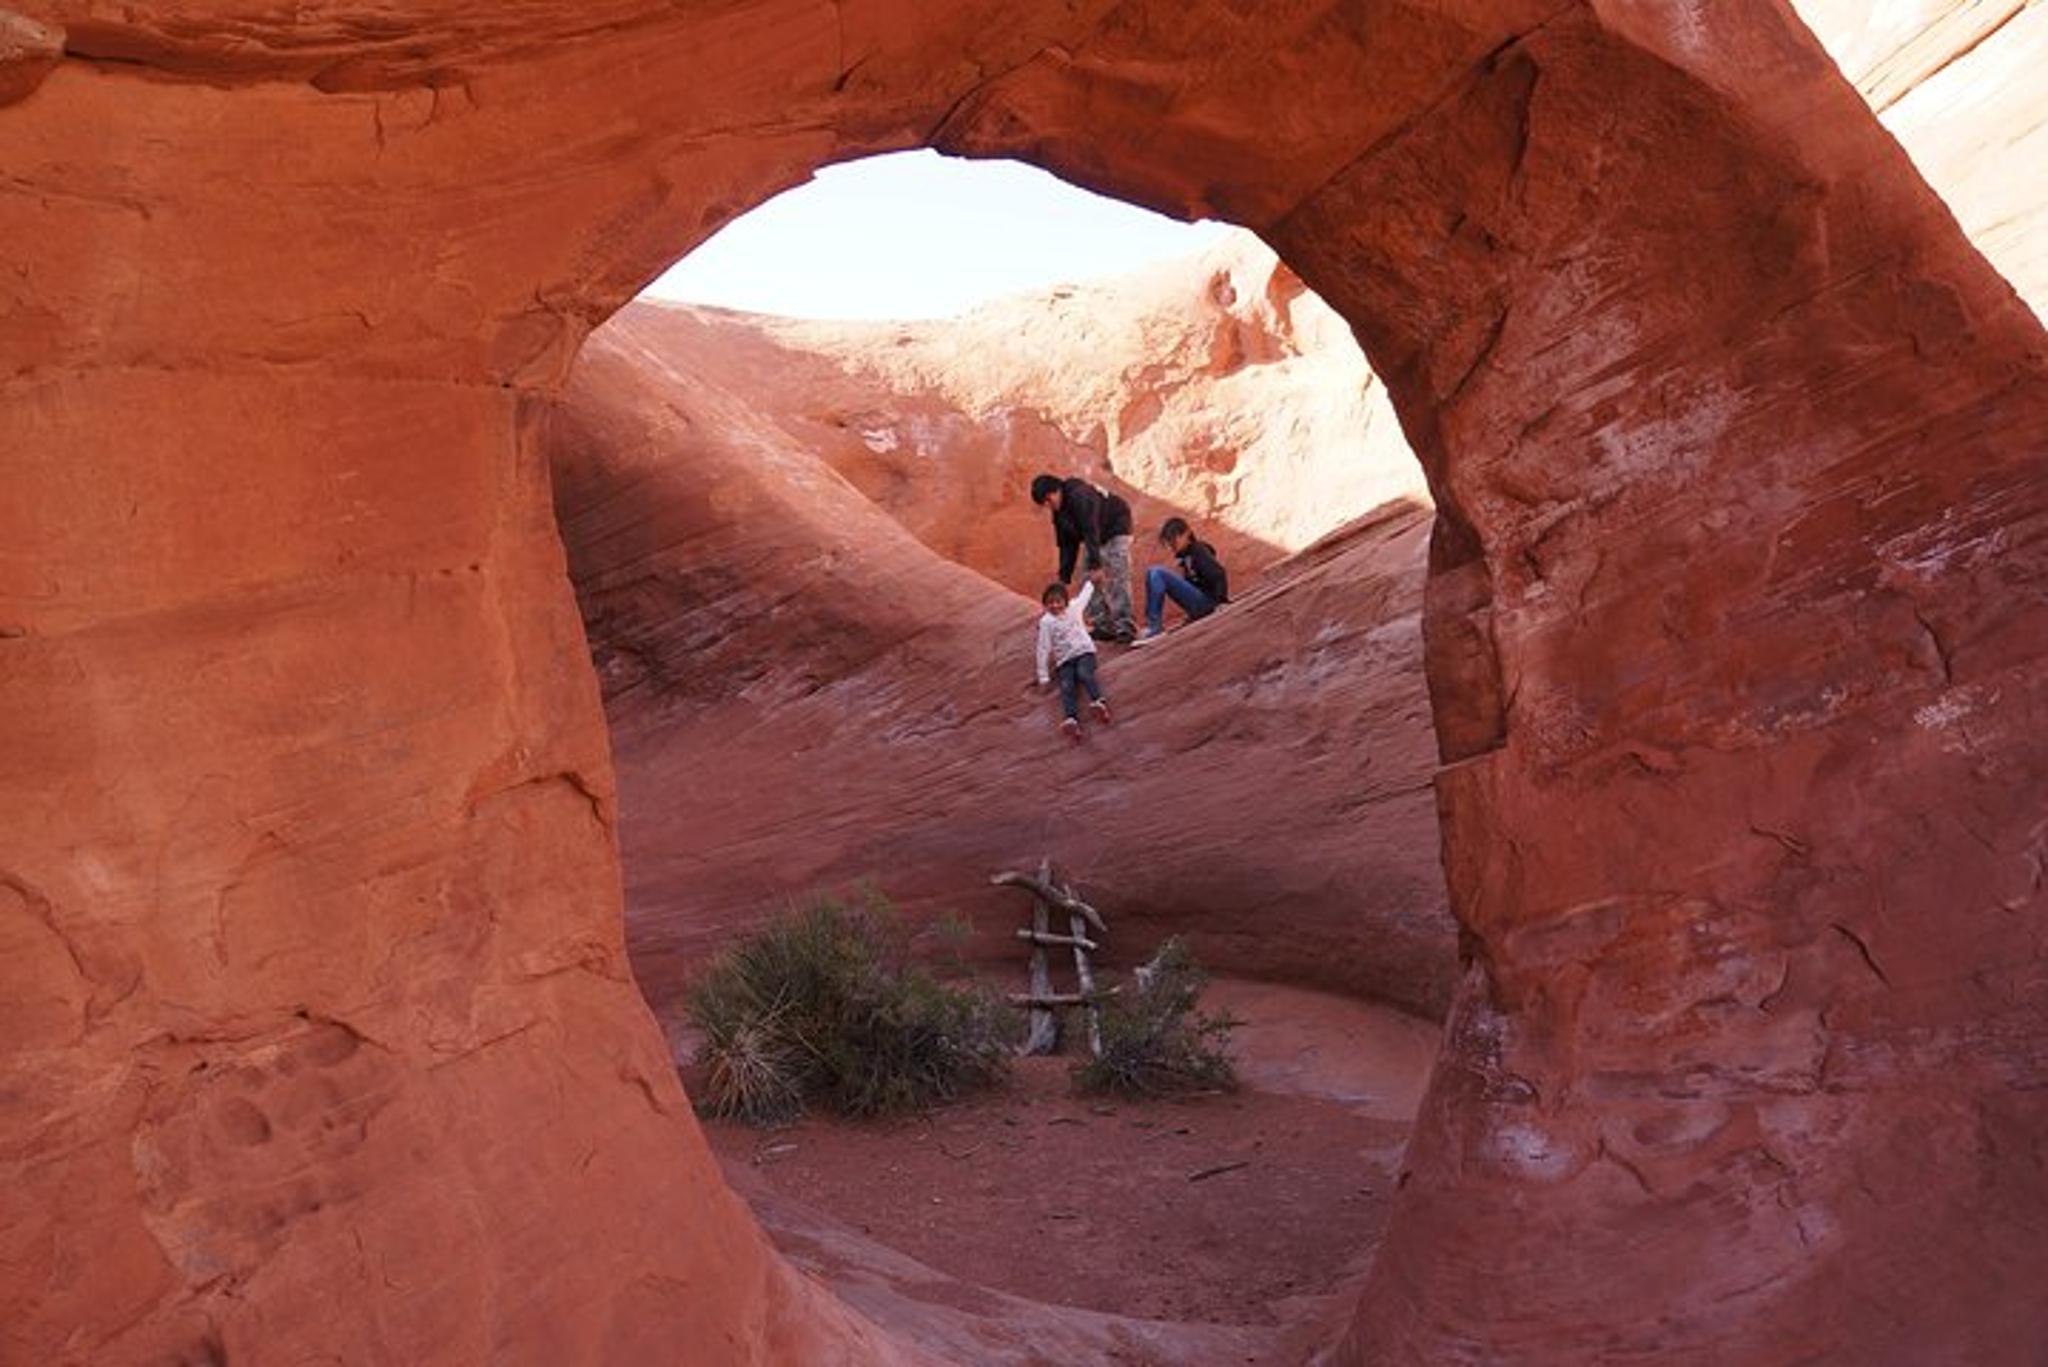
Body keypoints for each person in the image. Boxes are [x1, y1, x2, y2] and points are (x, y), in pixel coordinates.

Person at [1029, 472, 1135, 643]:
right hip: (1095, 536)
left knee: (1117, 575)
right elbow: (1066, 545)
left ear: (1056, 491)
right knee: (1087, 579)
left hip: (1116, 526)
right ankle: (1103, 625)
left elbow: (1090, 528)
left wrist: (1096, 565)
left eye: (1048, 500)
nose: (1048, 505)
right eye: (1045, 503)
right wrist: (1064, 578)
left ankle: (1125, 627)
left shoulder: (1080, 495)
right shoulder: (1059, 512)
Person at [1033, 579, 1112, 739]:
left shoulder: (1074, 608)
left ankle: (1098, 701)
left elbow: (1084, 596)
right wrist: (1043, 676)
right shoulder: (1046, 622)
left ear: (1065, 601)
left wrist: (1091, 582)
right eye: (1050, 603)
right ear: (1045, 605)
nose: (1054, 606)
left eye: (1058, 601)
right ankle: (1071, 719)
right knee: (1066, 685)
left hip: (1084, 652)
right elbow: (1043, 648)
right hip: (1065, 661)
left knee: (1084, 673)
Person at [1135, 516, 1229, 643]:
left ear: (1186, 534)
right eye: (1168, 541)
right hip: (1202, 604)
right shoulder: (1186, 557)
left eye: (1173, 539)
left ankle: (1154, 627)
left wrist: (1221, 601)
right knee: (1154, 573)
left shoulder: (1198, 550)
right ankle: (1154, 626)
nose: (1171, 545)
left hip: (1209, 603)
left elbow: (1218, 573)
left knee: (1157, 572)